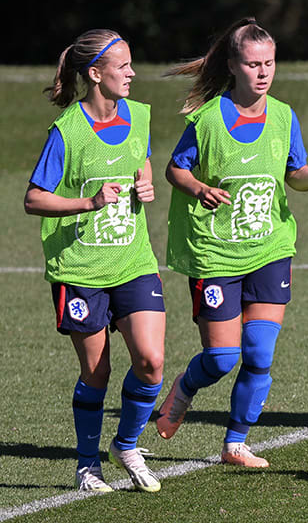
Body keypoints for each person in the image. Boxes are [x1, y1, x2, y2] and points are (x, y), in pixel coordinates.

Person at [154, 18, 308, 468]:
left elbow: (293, 174)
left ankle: (235, 443)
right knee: (221, 357)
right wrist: (199, 188)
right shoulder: (206, 119)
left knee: (259, 351)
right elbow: (174, 170)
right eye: (253, 64)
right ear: (234, 66)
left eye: (269, 63)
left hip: (269, 247)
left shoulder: (283, 116)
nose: (263, 72)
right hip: (215, 251)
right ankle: (183, 389)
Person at [24, 30, 165, 493]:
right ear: (95, 74)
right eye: (122, 67)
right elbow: (34, 199)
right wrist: (88, 204)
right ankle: (88, 466)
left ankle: (126, 444)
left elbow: (140, 162)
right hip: (80, 270)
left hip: (133, 262)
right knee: (97, 373)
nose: (132, 73)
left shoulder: (140, 116)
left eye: (130, 65)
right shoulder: (67, 130)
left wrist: (145, 185)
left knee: (150, 361)